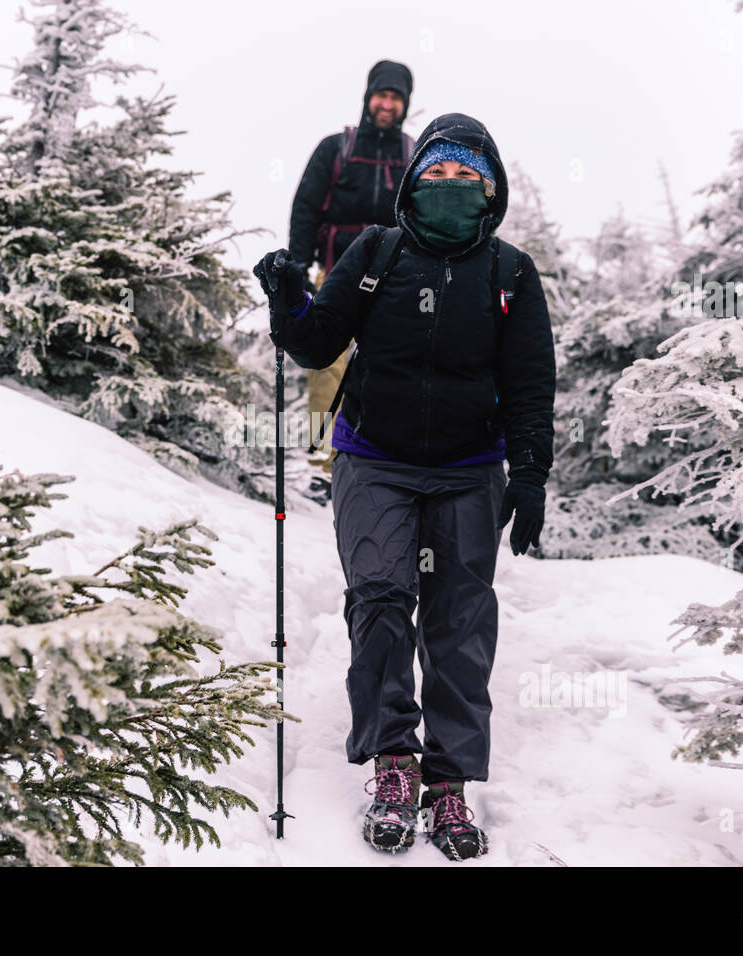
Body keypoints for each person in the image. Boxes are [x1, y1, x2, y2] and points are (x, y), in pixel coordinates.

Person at [254, 112, 556, 861]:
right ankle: (393, 758)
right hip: (374, 457)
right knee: (383, 598)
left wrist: (531, 472)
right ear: (414, 180)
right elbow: (315, 342)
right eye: (438, 172)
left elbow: (530, 383)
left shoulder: (510, 272)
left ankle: (448, 781)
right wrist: (288, 298)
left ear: (492, 190)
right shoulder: (376, 252)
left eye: (468, 176)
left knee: (458, 619)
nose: (451, 186)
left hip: (468, 470)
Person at [287, 59, 414, 499]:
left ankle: (378, 459)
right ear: (368, 97)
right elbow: (305, 206)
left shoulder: (413, 155)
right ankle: (322, 464)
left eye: (396, 98)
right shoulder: (334, 149)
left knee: (393, 365)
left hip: (395, 277)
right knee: (327, 366)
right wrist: (297, 269)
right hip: (336, 272)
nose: (387, 104)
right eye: (382, 95)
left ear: (405, 104)